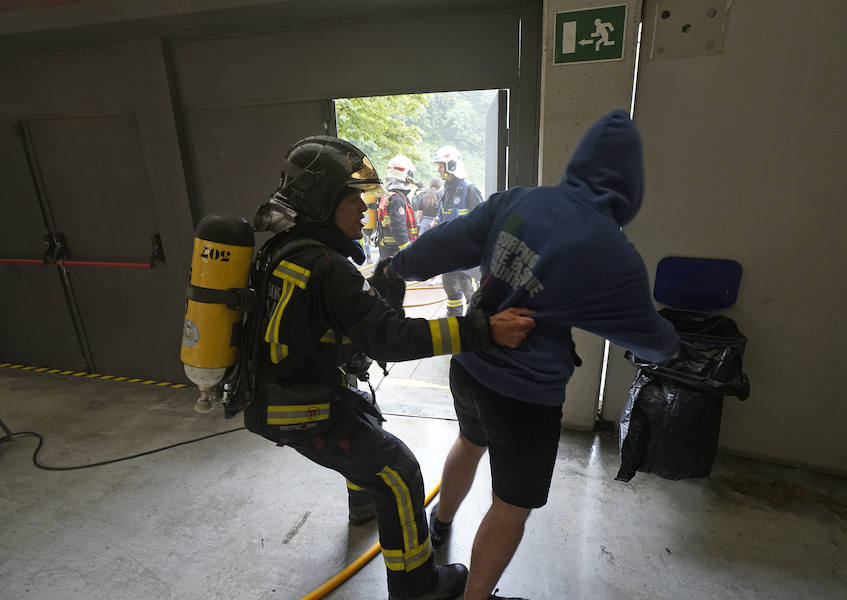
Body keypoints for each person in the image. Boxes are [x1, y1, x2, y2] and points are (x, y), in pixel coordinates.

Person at [383, 110, 681, 600]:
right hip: (524, 396)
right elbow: (650, 340)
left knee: (469, 442)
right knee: (510, 505)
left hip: (469, 360)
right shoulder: (611, 252)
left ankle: (438, 524)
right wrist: (675, 342)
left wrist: (397, 269)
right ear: (632, 185)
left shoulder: (520, 200)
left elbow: (443, 243)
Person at [238, 135, 535, 600]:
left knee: (365, 421)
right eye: (351, 196)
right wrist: (481, 330)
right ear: (321, 201)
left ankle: (362, 503)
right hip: (302, 408)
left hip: (278, 395)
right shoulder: (326, 267)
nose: (363, 206)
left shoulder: (282, 251)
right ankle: (418, 588)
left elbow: (315, 325)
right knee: (398, 471)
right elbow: (393, 339)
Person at [431, 146, 483, 316]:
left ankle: (475, 319)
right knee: (449, 285)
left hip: (465, 251)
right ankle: (454, 315)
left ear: (451, 165)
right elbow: (442, 215)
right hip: (448, 250)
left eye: (441, 166)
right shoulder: (445, 190)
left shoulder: (469, 189)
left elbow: (481, 220)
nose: (438, 170)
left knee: (468, 288)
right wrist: (436, 222)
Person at [376, 154, 420, 259]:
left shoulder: (390, 195)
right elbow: (398, 227)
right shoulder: (396, 199)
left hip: (388, 249)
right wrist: (407, 250)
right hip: (395, 249)